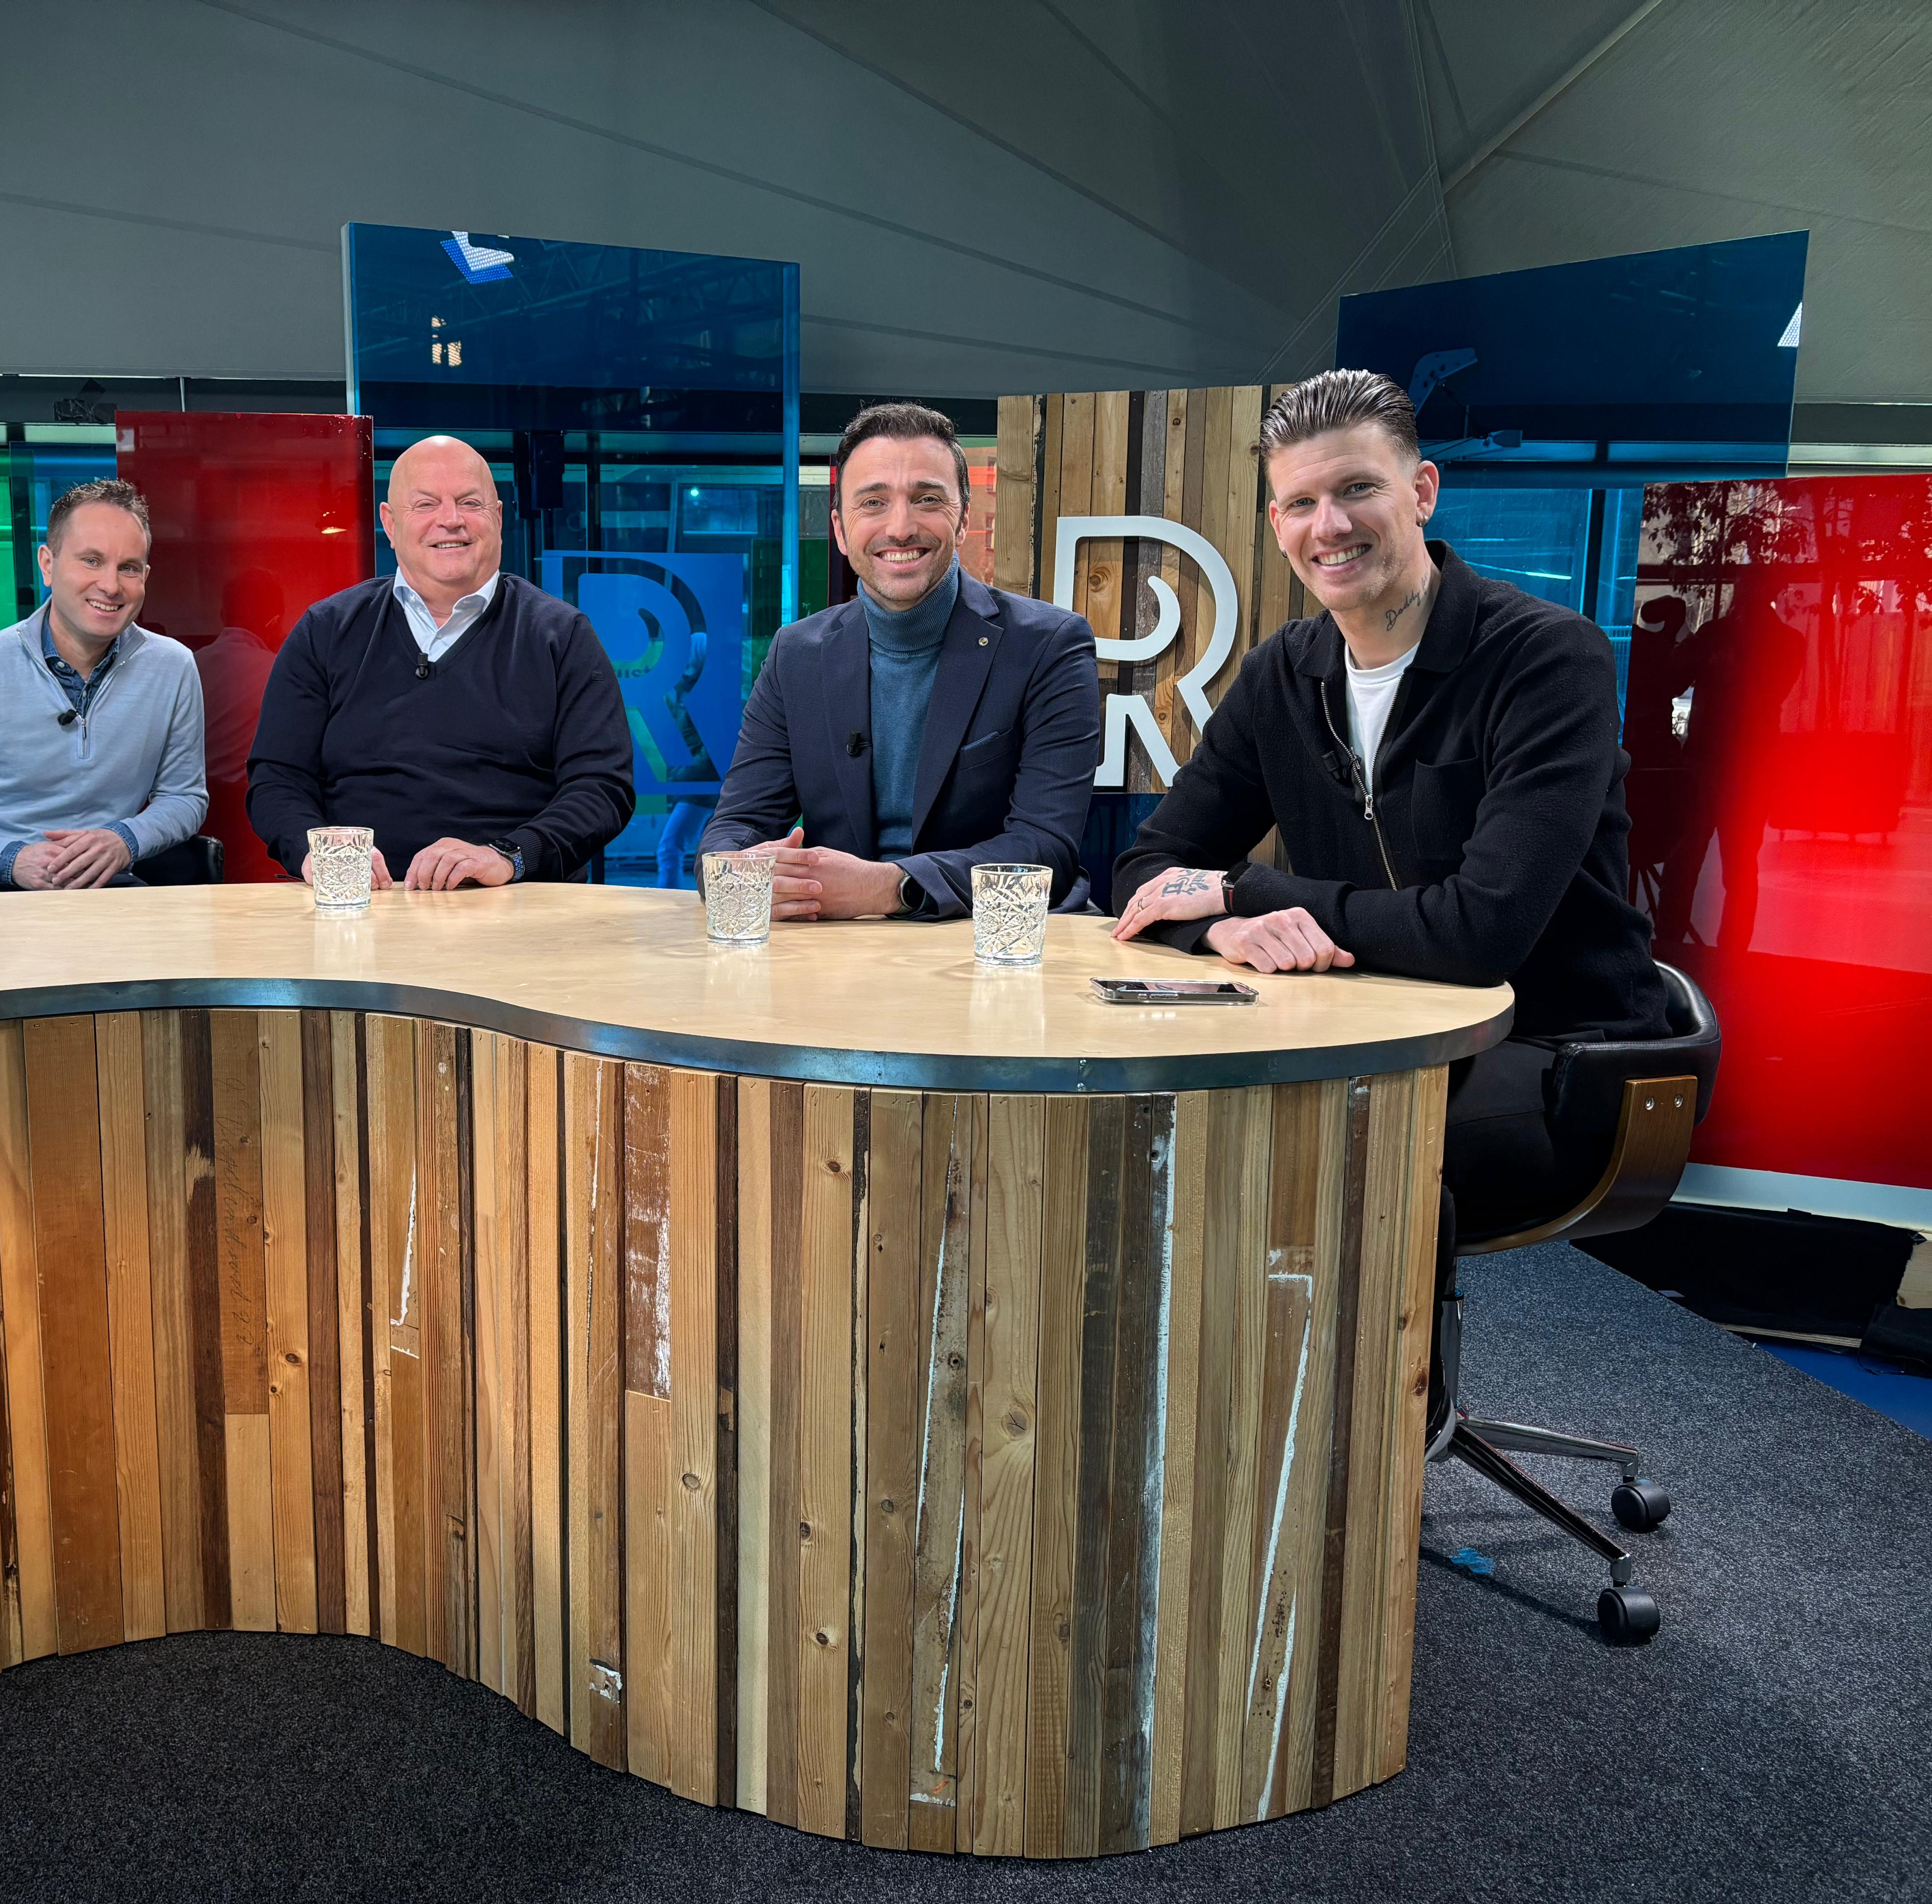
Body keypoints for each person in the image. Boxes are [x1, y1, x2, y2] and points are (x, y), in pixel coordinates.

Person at [1108, 368, 1668, 1436]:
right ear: (1274, 522)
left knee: (1294, 1152)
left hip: (1558, 1051)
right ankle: (1239, 1448)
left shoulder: (1546, 659)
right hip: (1368, 1038)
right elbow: (1145, 870)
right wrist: (1222, 918)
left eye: (1356, 489)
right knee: (1188, 1131)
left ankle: (1346, 1460)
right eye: (1300, 503)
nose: (1330, 525)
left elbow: (1478, 934)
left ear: (1422, 491)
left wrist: (1258, 888)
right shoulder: (1289, 672)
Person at [698, 403, 1100, 919]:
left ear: (963, 520)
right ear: (841, 531)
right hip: (836, 954)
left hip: (996, 945)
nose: (901, 527)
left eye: (927, 499)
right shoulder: (794, 654)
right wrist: (741, 872)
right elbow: (735, 828)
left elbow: (1044, 848)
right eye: (873, 503)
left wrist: (891, 887)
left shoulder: (1049, 646)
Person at [247, 435, 634, 890]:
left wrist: (510, 856)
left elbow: (602, 788)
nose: (450, 521)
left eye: (469, 503)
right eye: (426, 504)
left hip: (518, 907)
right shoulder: (326, 630)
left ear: (499, 518)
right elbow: (277, 779)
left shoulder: (562, 635)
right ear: (389, 524)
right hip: (362, 908)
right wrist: (314, 853)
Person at [0, 478, 206, 890]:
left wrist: (123, 842)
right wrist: (8, 860)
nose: (110, 585)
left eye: (128, 568)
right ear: (48, 565)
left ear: (145, 576)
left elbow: (184, 798)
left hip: (115, 901)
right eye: (91, 561)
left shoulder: (173, 668)